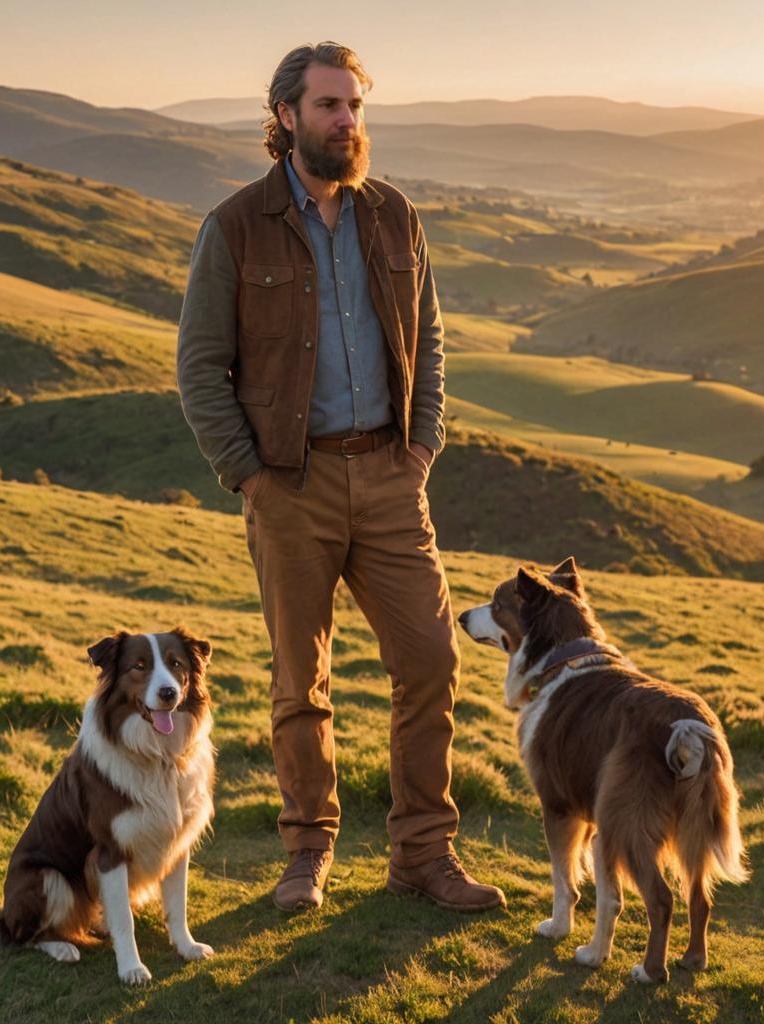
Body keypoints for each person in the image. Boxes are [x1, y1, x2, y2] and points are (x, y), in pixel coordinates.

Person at [176, 41, 505, 915]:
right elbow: (200, 368)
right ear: (285, 117)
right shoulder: (237, 226)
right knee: (300, 680)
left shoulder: (395, 217)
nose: (347, 121)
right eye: (328, 106)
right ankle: (306, 854)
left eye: (355, 105)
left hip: (392, 476)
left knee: (432, 660)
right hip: (292, 484)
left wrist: (421, 449)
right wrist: (250, 477)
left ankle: (423, 856)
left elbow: (428, 344)